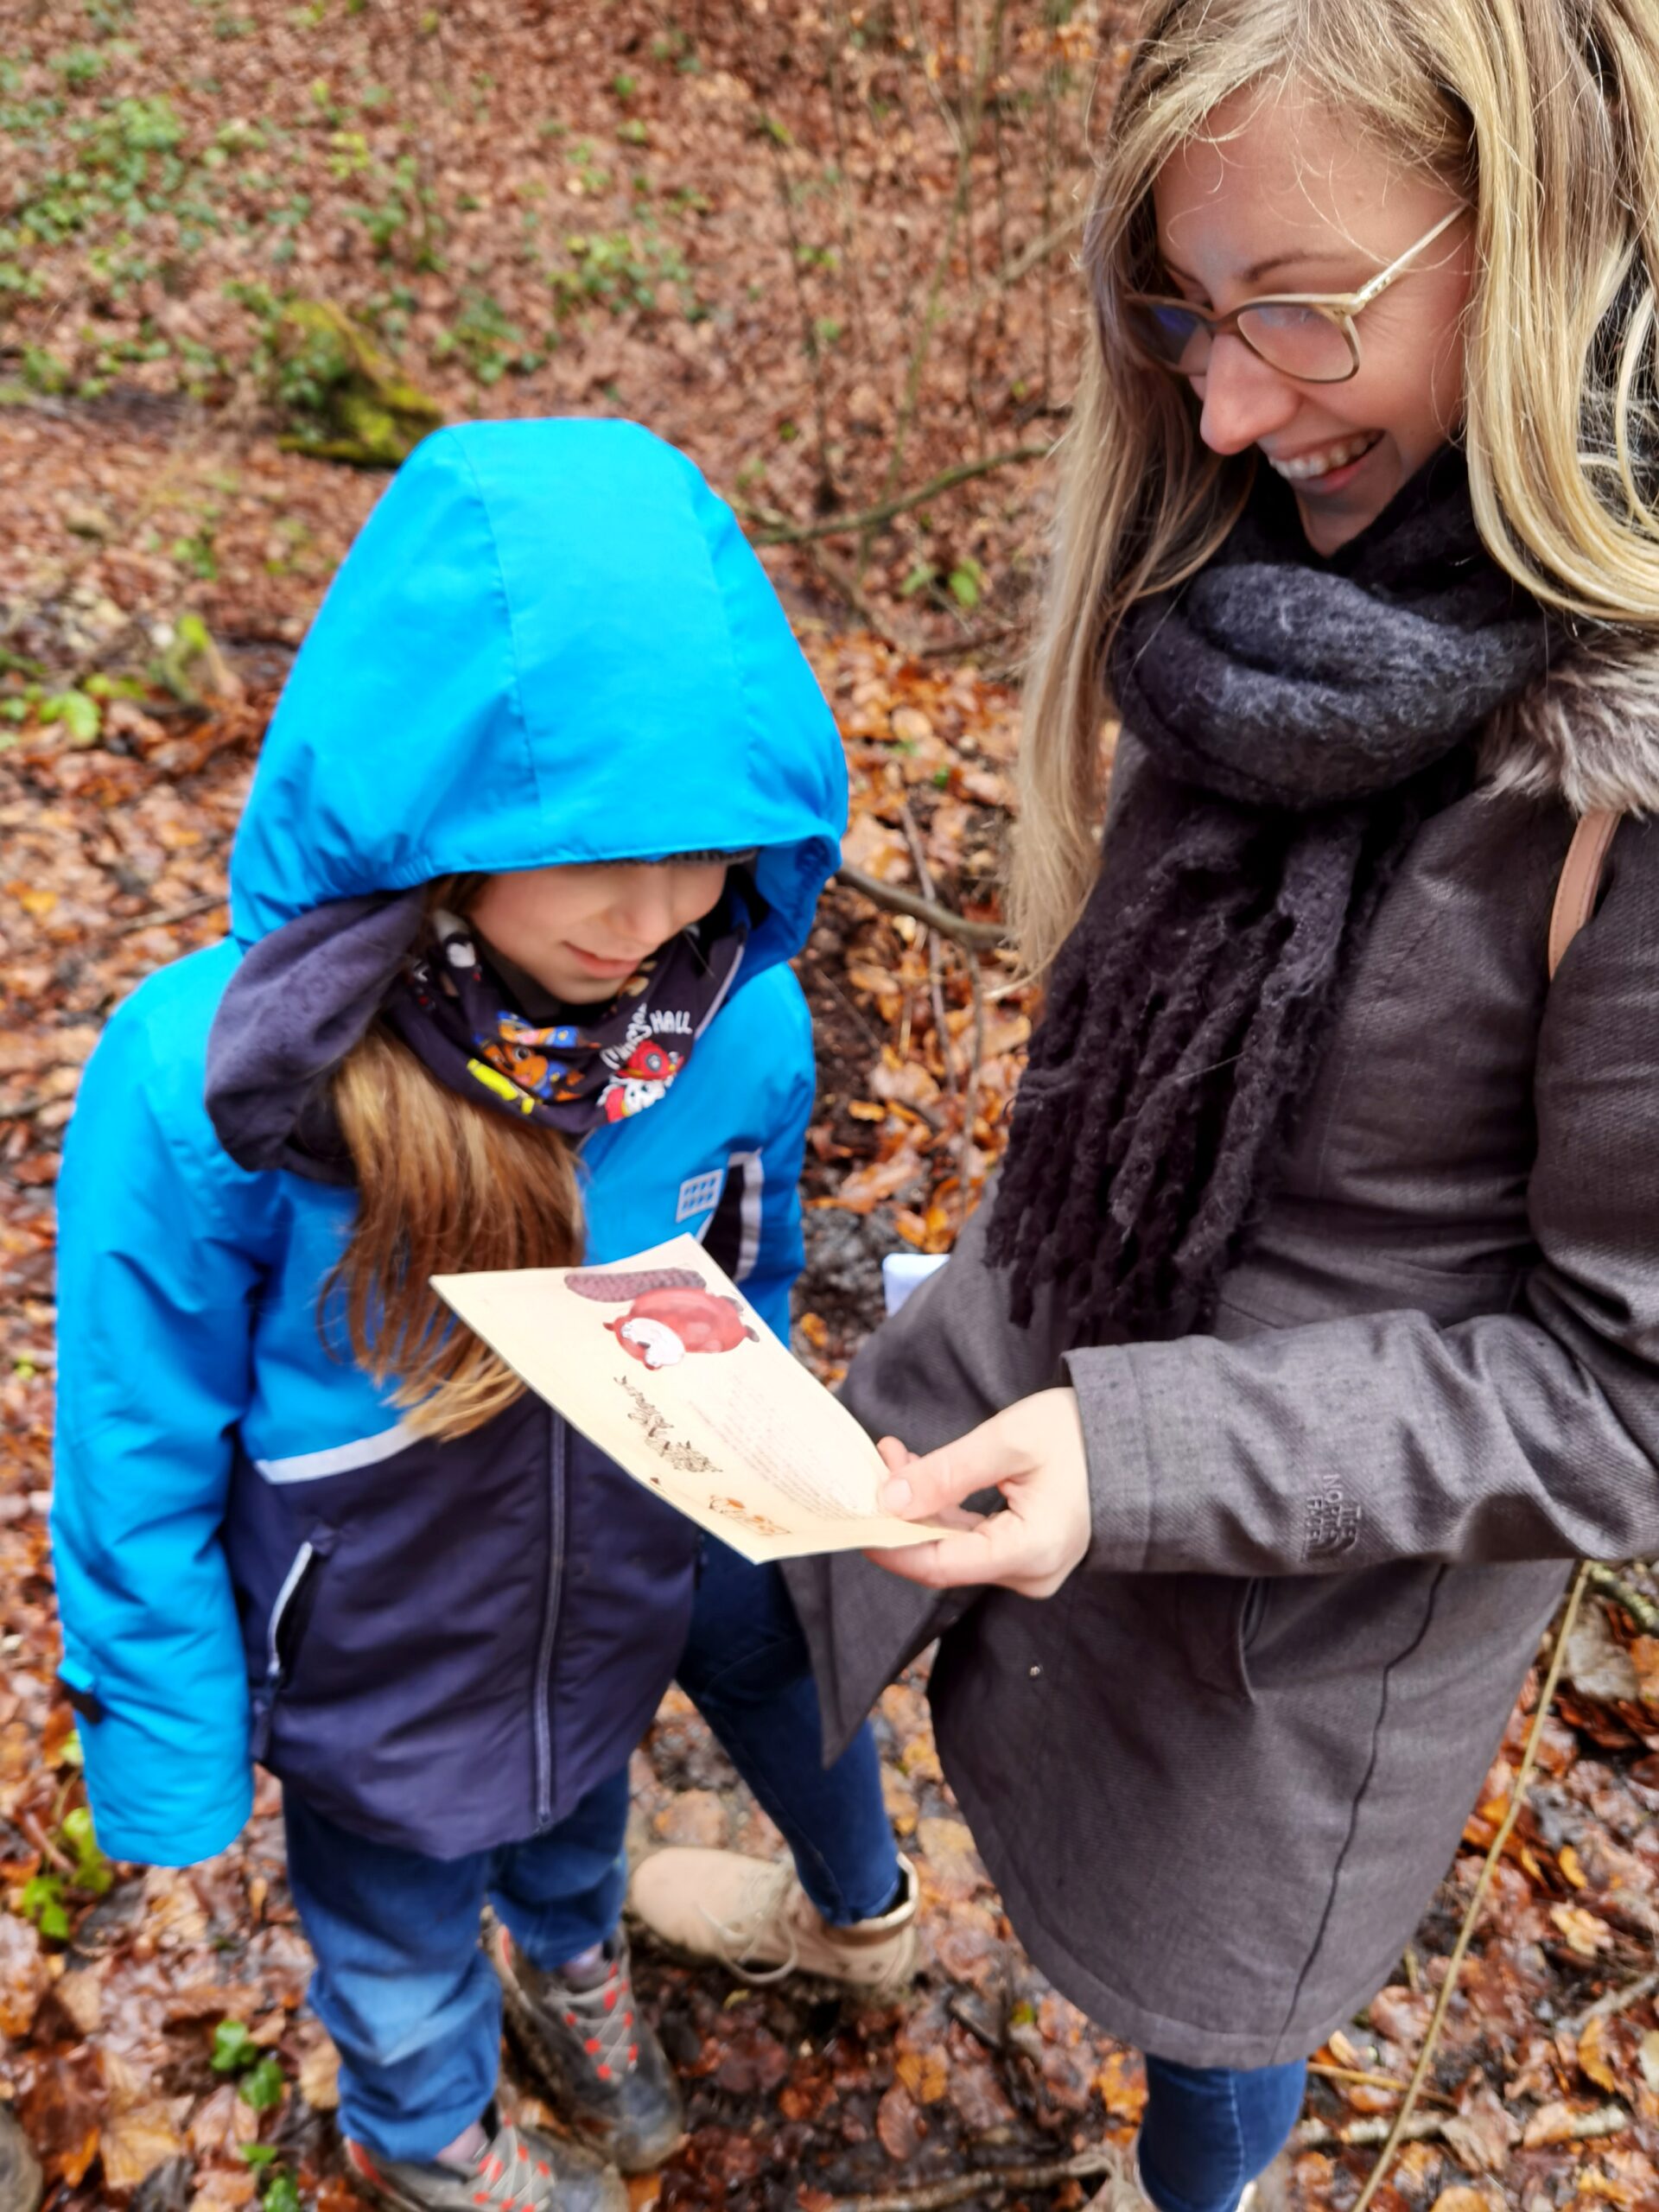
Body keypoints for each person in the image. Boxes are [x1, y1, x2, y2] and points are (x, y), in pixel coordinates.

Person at [627, 3, 1659, 2207]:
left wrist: (1151, 1447)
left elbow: (1627, 1395)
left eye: (1299, 312)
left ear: (1545, 230)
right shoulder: (1257, 570)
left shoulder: (1619, 781)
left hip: (1275, 1613)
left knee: (1205, 2032)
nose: (1224, 403)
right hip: (1021, 1345)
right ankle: (860, 1908)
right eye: (1184, 314)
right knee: (740, 1600)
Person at [50, 418, 860, 2212]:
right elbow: (133, 1430)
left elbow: (750, 1280)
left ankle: (570, 1971)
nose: (652, 912)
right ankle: (421, 2127)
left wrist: (765, 1482)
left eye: (707, 844)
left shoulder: (731, 1033)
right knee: (397, 1932)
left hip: (604, 1619)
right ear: (440, 798)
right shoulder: (222, 1078)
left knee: (579, 1838)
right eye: (593, 846)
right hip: (371, 1666)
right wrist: (174, 1749)